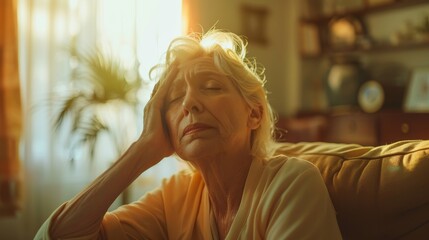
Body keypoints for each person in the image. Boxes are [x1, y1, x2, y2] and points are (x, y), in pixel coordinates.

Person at [35, 29, 342, 239]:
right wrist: (142, 149)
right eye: (174, 99)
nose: (189, 103)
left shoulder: (291, 183)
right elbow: (61, 236)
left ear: (254, 113)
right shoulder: (176, 196)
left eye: (211, 87)